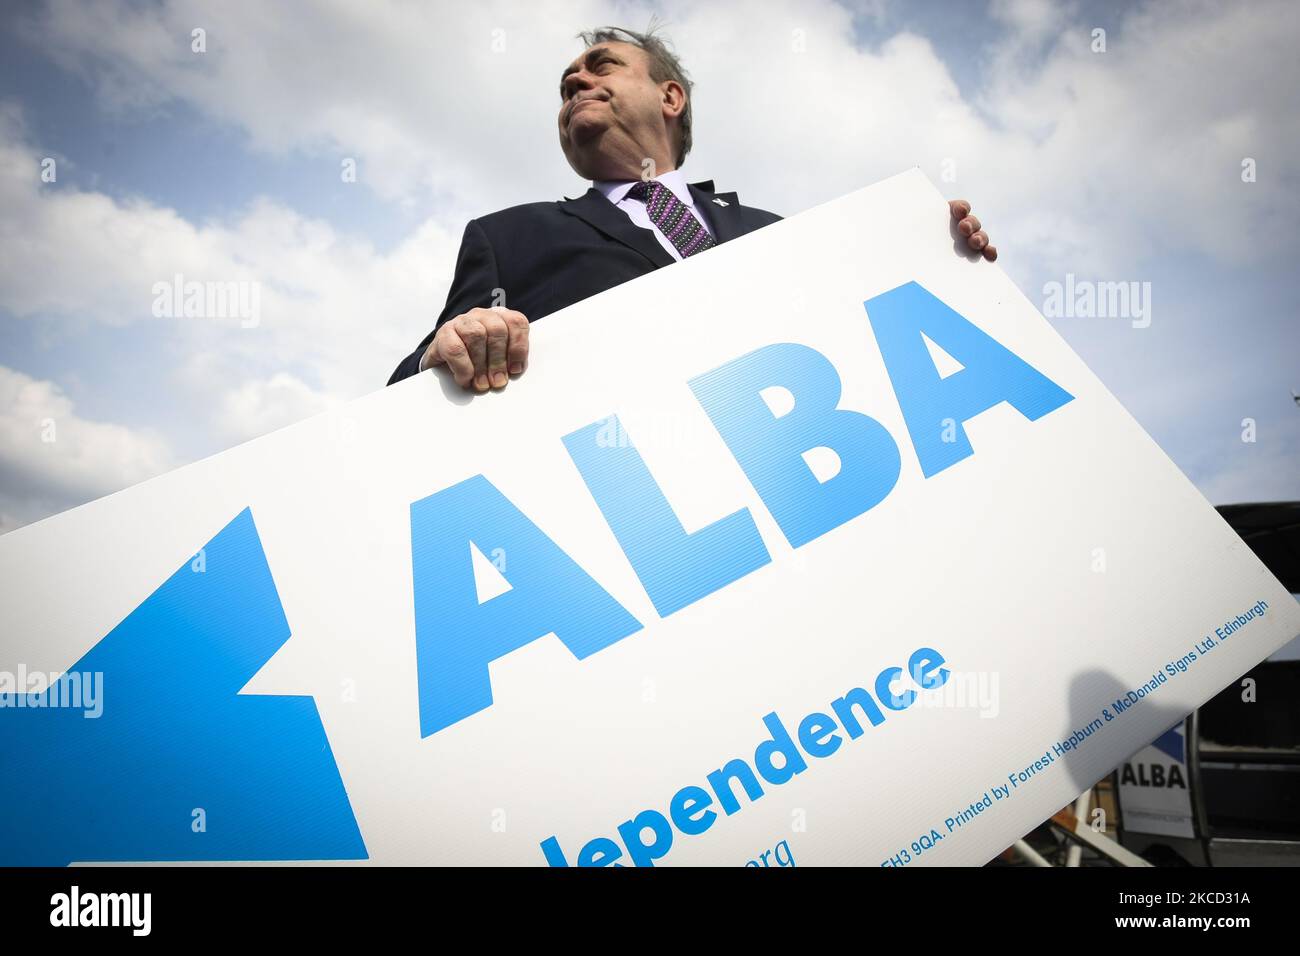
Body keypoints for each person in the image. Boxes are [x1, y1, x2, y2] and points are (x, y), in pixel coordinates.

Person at [388, 25, 997, 391]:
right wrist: (440, 353)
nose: (575, 84)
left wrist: (943, 260)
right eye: (565, 85)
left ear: (670, 96)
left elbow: (876, 344)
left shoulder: (781, 234)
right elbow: (404, 394)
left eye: (601, 67)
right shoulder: (508, 236)